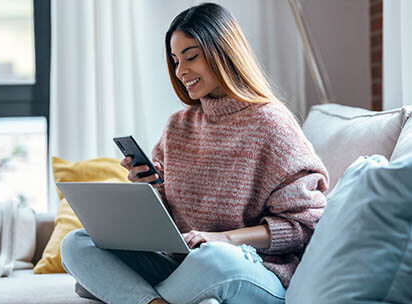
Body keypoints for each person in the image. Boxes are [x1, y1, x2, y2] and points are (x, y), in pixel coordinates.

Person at [61, 3, 328, 304]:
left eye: (191, 57)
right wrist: (148, 192)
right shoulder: (177, 125)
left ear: (224, 52)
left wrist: (223, 239)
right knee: (76, 243)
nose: (181, 71)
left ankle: (128, 294)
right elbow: (167, 222)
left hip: (243, 267)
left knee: (214, 259)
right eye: (175, 60)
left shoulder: (272, 124)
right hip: (181, 266)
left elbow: (304, 225)